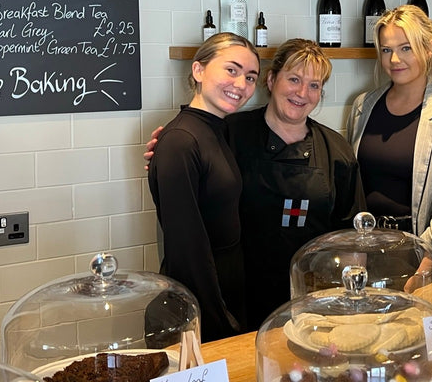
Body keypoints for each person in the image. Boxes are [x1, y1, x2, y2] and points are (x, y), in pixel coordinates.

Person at [146, 39, 364, 330]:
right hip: (238, 297)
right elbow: (192, 194)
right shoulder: (229, 133)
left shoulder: (336, 149)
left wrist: (348, 302)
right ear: (272, 80)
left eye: (314, 86)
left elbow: (351, 237)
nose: (302, 93)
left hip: (308, 300)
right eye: (294, 79)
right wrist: (164, 154)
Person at [346, 5, 432, 283]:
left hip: (423, 258)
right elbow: (351, 187)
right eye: (386, 49)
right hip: (370, 255)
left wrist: (424, 268)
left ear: (428, 49)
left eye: (406, 48)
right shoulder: (363, 107)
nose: (395, 59)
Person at [147, 32, 260, 342]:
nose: (241, 85)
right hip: (201, 310)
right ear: (198, 71)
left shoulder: (217, 130)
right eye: (232, 70)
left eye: (251, 77)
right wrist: (217, 321)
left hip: (226, 296)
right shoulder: (181, 141)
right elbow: (187, 249)